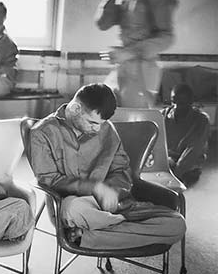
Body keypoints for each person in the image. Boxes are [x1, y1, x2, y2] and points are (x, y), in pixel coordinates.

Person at [29, 83, 186, 249]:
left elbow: (122, 171)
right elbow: (48, 180)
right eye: (92, 122)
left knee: (177, 225)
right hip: (77, 206)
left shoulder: (106, 128)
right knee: (71, 209)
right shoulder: (42, 132)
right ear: (76, 109)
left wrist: (112, 192)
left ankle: (88, 236)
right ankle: (122, 224)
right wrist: (94, 188)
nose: (97, 129)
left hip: (114, 205)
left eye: (101, 123)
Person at [95, 0, 178, 108]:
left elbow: (167, 37)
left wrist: (129, 53)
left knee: (132, 123)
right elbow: (102, 23)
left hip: (144, 69)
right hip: (123, 66)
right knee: (105, 113)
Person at [162, 84, 210, 187]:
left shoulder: (201, 120)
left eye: (182, 103)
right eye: (174, 101)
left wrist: (174, 176)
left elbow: (192, 151)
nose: (176, 106)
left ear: (191, 102)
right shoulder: (163, 115)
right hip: (167, 161)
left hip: (188, 165)